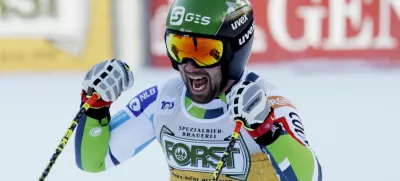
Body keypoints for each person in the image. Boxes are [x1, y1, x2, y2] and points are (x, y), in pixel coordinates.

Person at [74, 0, 322, 180]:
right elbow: (93, 161)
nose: (188, 66)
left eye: (202, 51)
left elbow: (312, 178)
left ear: (233, 51)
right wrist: (95, 108)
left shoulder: (265, 103)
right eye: (178, 48)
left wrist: (266, 131)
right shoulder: (164, 100)